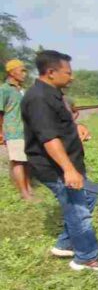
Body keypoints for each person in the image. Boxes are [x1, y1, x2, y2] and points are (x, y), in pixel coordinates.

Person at [21, 50, 98, 271]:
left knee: (89, 194)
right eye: (68, 73)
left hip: (70, 163)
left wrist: (78, 127)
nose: (72, 77)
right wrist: (68, 170)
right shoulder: (38, 98)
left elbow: (60, 125)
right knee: (79, 212)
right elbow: (49, 138)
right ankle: (87, 258)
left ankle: (65, 243)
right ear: (51, 72)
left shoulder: (53, 94)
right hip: (57, 168)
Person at [1, 59, 34, 200]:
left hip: (25, 130)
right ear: (12, 72)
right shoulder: (4, 89)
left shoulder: (21, 90)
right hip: (13, 130)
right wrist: (1, 132)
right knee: (18, 161)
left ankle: (28, 187)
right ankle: (24, 193)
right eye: (22, 70)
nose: (24, 74)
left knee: (25, 160)